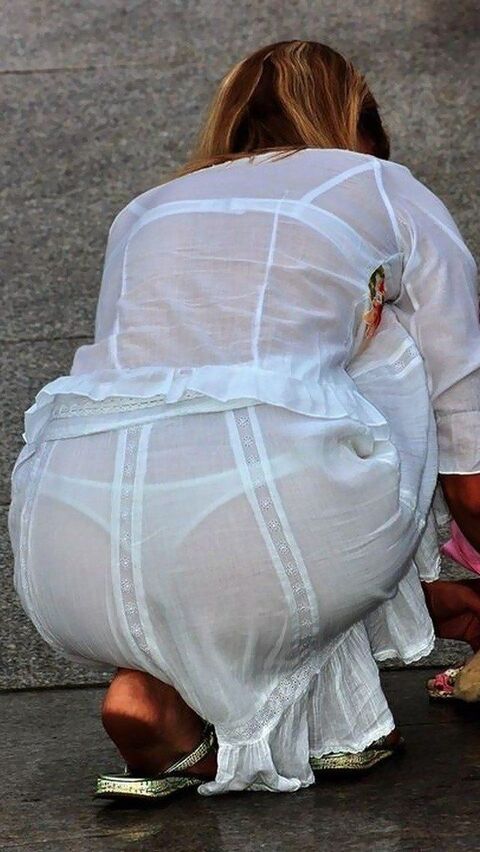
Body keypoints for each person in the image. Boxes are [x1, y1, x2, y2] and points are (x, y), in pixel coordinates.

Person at [8, 39, 480, 800]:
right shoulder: (380, 184)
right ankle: (326, 717)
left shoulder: (146, 209)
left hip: (67, 551)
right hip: (282, 530)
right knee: (380, 344)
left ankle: (153, 693)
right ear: (359, 124)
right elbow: (466, 431)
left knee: (250, 390)